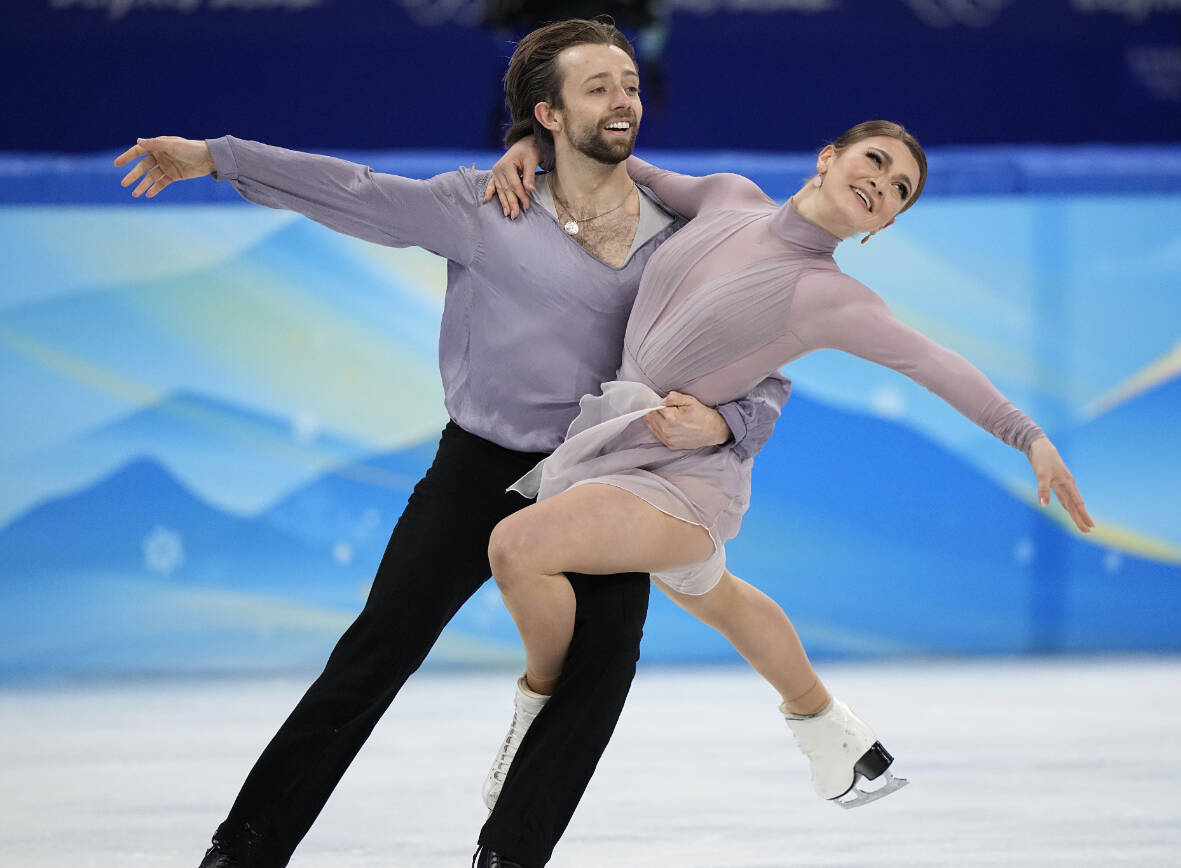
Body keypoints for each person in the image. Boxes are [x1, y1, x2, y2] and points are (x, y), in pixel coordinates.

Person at [113, 18, 791, 868]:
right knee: (374, 655)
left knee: (601, 672)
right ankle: (244, 849)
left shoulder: (687, 232)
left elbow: (767, 343)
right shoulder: (484, 207)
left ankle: (507, 860)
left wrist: (731, 423)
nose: (624, 98)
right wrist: (218, 156)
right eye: (599, 86)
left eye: (629, 82)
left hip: (605, 482)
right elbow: (354, 191)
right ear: (546, 114)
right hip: (480, 467)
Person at [481, 121, 1095, 807]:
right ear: (828, 158)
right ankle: (831, 730)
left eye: (899, 190)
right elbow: (614, 167)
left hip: (685, 485)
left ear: (883, 225)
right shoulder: (725, 197)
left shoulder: (836, 300)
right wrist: (533, 147)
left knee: (517, 546)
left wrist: (1028, 436)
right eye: (876, 160)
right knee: (718, 598)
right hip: (622, 439)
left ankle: (537, 714)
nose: (882, 183)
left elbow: (937, 365)